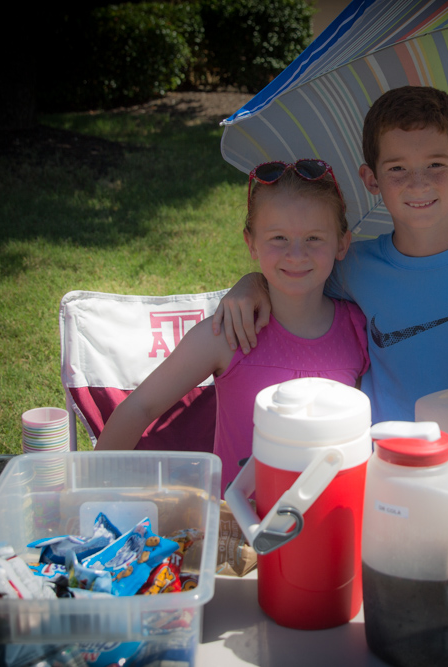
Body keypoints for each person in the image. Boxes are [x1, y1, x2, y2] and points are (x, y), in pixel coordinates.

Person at [213, 86, 448, 423]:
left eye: (435, 165)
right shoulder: (351, 266)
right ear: (371, 179)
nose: (418, 182)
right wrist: (252, 284)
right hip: (383, 465)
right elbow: (293, 276)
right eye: (397, 168)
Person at [96, 160, 370, 487]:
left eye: (313, 238)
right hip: (235, 528)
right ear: (251, 243)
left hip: (331, 521)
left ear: (342, 244)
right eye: (279, 238)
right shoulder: (228, 334)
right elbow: (139, 407)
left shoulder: (359, 329)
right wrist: (86, 492)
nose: (296, 254)